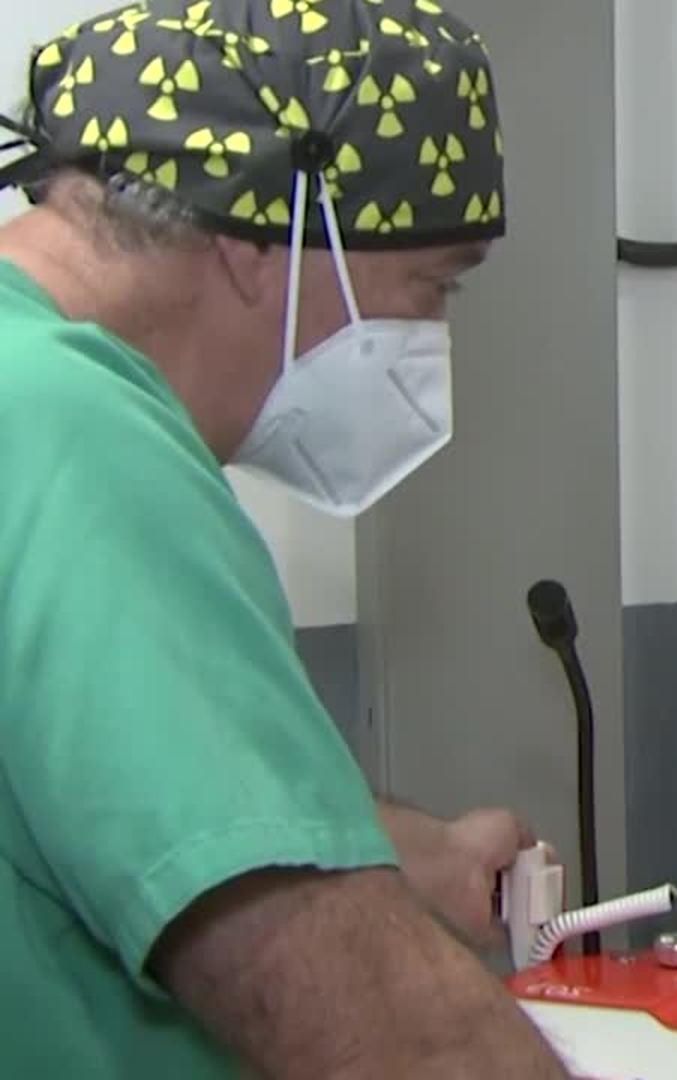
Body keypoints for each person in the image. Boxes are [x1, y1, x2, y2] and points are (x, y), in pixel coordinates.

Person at [0, 1, 570, 1074]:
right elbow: (377, 1029)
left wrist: (406, 853)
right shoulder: (77, 437)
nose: (433, 340)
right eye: (434, 286)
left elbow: (118, 794)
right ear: (263, 238)